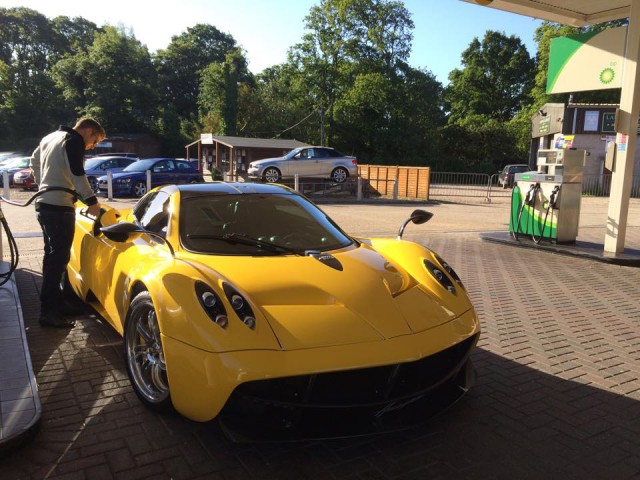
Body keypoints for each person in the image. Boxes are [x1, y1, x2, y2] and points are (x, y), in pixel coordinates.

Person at [30, 117, 105, 328]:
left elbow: (34, 161)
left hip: (44, 205)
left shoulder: (50, 137)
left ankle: (58, 303)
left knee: (52, 257)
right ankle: (49, 312)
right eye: (94, 141)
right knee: (58, 259)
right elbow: (77, 174)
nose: (91, 147)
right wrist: (92, 202)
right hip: (60, 208)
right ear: (88, 131)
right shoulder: (73, 141)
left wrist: (43, 184)